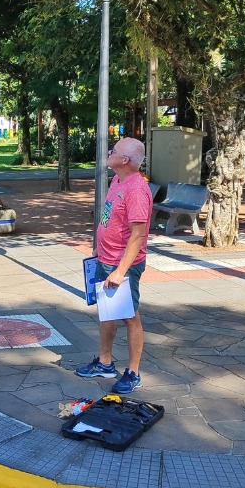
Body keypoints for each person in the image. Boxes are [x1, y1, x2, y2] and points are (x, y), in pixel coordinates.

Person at [75, 137, 152, 394]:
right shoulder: (117, 180)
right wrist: (99, 247)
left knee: (130, 317)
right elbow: (110, 218)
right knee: (107, 311)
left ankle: (133, 372)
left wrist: (120, 271)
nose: (109, 152)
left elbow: (137, 235)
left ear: (125, 160)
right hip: (106, 259)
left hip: (123, 266)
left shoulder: (137, 190)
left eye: (114, 150)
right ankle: (105, 362)